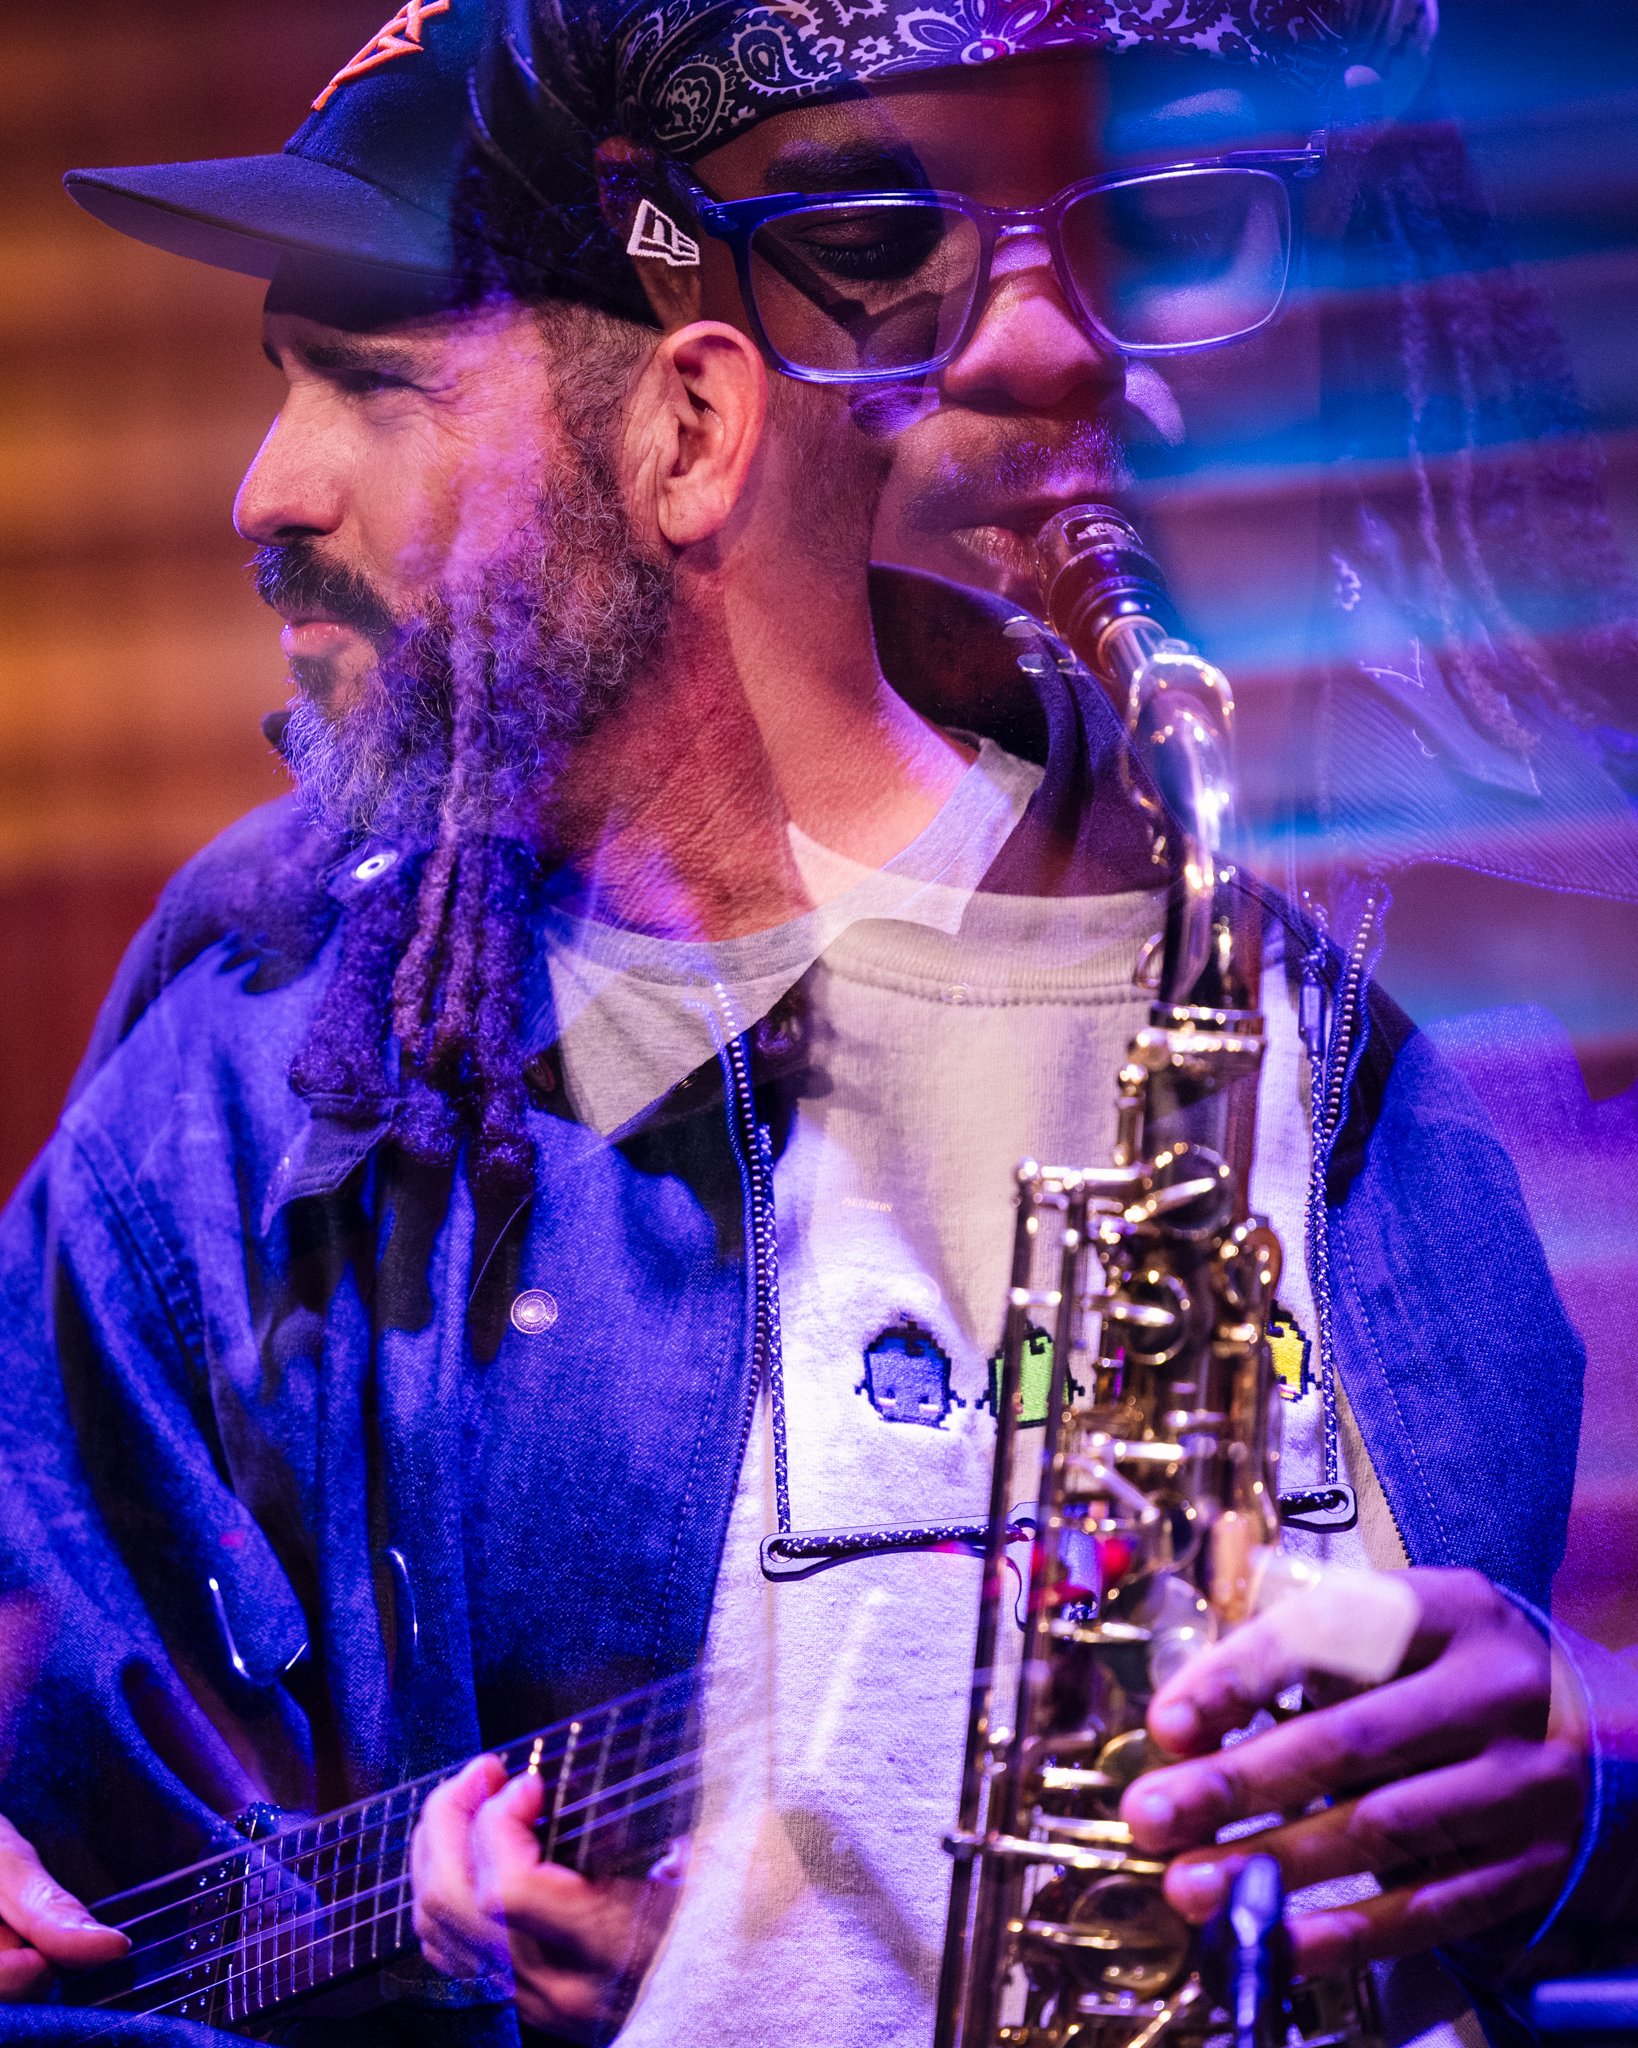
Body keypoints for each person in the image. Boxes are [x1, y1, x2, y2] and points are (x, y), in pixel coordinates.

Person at [0, 8, 1626, 2048]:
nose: (266, 482)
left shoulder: (1349, 1018)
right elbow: (103, 1912)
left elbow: (1453, 1794)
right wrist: (436, 1948)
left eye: (378, 382)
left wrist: (1566, 1805)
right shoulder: (258, 1064)